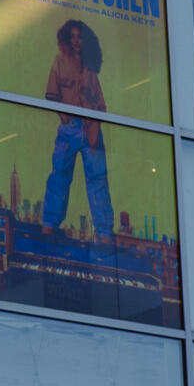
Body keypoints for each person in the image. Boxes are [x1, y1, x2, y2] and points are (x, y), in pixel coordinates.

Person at [41, 20, 114, 235]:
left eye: (79, 37)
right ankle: (49, 224)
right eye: (72, 36)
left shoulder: (90, 68)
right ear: (66, 38)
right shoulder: (60, 61)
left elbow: (100, 103)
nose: (76, 41)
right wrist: (65, 118)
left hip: (91, 129)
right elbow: (51, 93)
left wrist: (95, 123)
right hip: (70, 128)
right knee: (59, 177)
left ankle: (104, 232)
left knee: (98, 180)